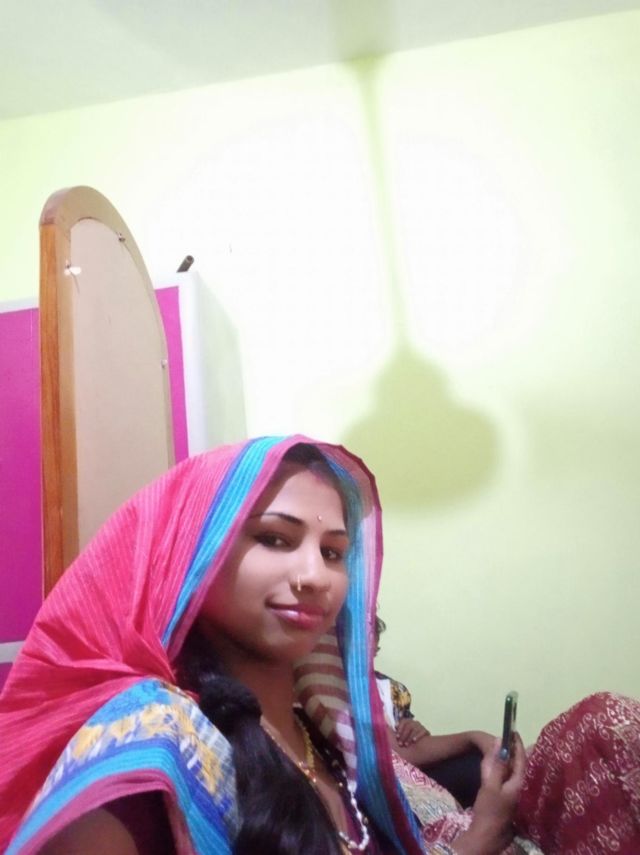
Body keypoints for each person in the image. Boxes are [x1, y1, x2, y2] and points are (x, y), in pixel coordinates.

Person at [0, 436, 637, 854]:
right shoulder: (151, 747)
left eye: (334, 552)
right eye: (275, 539)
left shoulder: (326, 742)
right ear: (197, 560)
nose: (315, 575)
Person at [374, 617, 483, 809]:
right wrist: (473, 737)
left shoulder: (392, 689)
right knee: (476, 768)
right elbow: (405, 753)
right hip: (388, 784)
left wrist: (415, 731)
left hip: (413, 770)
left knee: (480, 764)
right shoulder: (346, 692)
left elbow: (410, 744)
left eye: (373, 650)